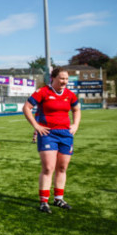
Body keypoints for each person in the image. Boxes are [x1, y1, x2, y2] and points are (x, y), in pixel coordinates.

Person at [23, 68, 81, 213]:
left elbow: (76, 109)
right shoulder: (42, 92)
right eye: (61, 78)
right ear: (53, 78)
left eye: (66, 79)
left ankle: (59, 199)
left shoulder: (70, 95)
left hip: (66, 135)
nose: (64, 82)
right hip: (48, 134)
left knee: (62, 168)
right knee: (48, 168)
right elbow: (27, 107)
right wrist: (36, 126)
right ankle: (44, 202)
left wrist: (75, 125)